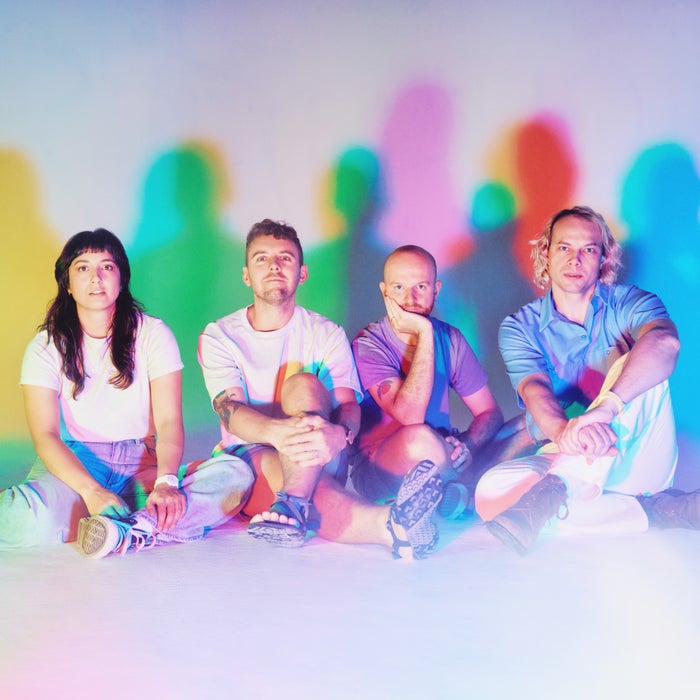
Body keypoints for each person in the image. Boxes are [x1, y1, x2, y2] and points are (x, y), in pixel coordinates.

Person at [198, 219, 445, 559]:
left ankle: (292, 505)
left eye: (285, 258)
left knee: (303, 384)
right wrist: (282, 434)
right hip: (252, 456)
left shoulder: (326, 333)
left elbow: (348, 405)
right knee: (306, 480)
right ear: (246, 275)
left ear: (302, 273)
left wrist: (339, 434)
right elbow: (231, 412)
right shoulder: (220, 335)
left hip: (325, 446)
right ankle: (392, 525)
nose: (274, 266)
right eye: (261, 259)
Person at [2, 229, 252, 557]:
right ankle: (126, 520)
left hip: (141, 465)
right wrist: (91, 492)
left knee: (235, 475)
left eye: (107, 267)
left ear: (121, 279)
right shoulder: (46, 346)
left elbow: (168, 422)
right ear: (67, 283)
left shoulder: (153, 334)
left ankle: (130, 530)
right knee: (18, 520)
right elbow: (45, 436)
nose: (96, 278)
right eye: (82, 268)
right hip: (76, 464)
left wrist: (166, 483)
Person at [475, 205, 697, 554]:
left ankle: (556, 491)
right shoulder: (519, 327)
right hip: (565, 452)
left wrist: (604, 410)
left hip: (635, 458)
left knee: (639, 363)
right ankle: (659, 510)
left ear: (603, 257)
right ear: (546, 253)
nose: (575, 260)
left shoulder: (630, 302)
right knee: (489, 493)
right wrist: (565, 433)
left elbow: (666, 343)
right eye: (564, 247)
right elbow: (535, 390)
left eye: (588, 250)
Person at [350, 245, 504, 516]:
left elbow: (489, 413)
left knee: (526, 426)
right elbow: (411, 417)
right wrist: (424, 331)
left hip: (444, 449)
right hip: (380, 467)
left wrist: (467, 446)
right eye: (399, 287)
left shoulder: (451, 339)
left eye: (420, 287)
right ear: (384, 291)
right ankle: (461, 491)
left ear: (436, 289)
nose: (410, 299)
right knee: (420, 439)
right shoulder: (368, 344)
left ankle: (449, 492)